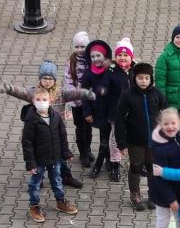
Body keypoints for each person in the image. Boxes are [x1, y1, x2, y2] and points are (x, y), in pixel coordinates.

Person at [1, 59, 92, 188]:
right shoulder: (34, 93)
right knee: (40, 157)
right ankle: (38, 179)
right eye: (45, 78)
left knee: (60, 156)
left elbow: (75, 93)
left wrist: (86, 93)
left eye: (50, 78)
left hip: (56, 132)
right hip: (39, 132)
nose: (47, 81)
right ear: (40, 79)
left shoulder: (61, 93)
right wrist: (9, 88)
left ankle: (66, 177)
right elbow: (21, 92)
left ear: (54, 80)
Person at [114, 62, 166, 211]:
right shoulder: (127, 96)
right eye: (140, 78)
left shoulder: (157, 94)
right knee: (136, 166)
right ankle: (135, 194)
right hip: (135, 140)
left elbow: (166, 113)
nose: (143, 81)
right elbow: (119, 120)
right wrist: (121, 143)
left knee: (152, 167)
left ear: (151, 79)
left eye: (146, 78)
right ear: (134, 78)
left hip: (154, 140)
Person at [20, 91, 78, 222]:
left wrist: (66, 152)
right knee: (35, 184)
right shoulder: (31, 120)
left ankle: (60, 202)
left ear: (50, 101)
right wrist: (30, 163)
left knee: (56, 180)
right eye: (38, 99)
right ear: (33, 102)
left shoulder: (56, 116)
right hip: (38, 160)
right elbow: (27, 143)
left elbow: (62, 135)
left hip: (55, 157)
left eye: (44, 99)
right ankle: (34, 206)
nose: (41, 102)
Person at [81, 39, 123, 181]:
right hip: (99, 112)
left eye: (98, 55)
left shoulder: (111, 70)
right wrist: (87, 112)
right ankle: (100, 163)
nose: (96, 59)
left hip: (113, 111)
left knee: (115, 140)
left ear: (105, 56)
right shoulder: (88, 74)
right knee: (104, 140)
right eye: (92, 56)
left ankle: (114, 164)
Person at [64, 31, 92, 166]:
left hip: (89, 102)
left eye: (83, 47)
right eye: (77, 46)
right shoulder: (71, 62)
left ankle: (88, 149)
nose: (80, 49)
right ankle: (83, 153)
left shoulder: (91, 60)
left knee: (89, 127)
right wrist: (75, 97)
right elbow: (68, 81)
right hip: (77, 103)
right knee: (80, 128)